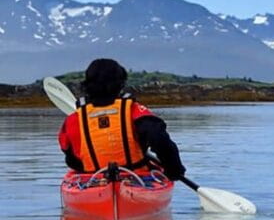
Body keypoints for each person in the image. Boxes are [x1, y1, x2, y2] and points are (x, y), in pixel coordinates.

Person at [58, 58, 186, 180]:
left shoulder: (73, 120)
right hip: (137, 179)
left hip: (93, 181)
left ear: (87, 85)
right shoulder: (135, 111)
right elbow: (160, 140)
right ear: (120, 84)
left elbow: (71, 159)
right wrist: (174, 170)